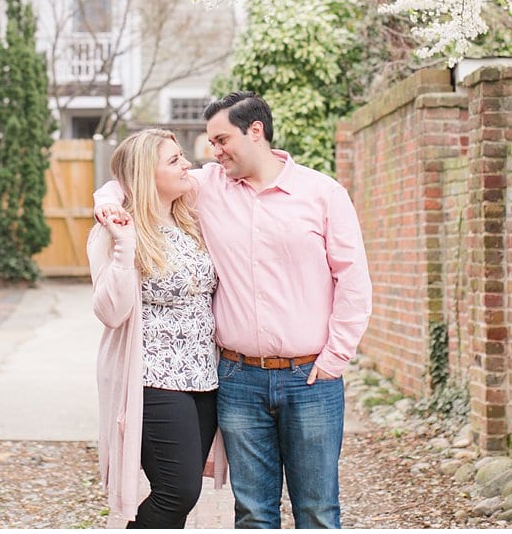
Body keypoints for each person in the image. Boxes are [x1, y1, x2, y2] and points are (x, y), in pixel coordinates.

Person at [95, 93, 372, 529]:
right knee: (252, 512)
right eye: (209, 142)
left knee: (318, 510)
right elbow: (135, 174)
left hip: (310, 379)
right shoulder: (209, 187)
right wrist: (105, 200)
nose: (212, 151)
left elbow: (353, 281)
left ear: (255, 131)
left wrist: (336, 357)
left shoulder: (323, 194)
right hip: (237, 380)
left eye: (221, 139)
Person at [89, 128, 227, 528]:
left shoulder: (190, 220)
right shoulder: (114, 232)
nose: (188, 164)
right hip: (152, 379)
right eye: (174, 160)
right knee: (176, 491)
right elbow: (111, 311)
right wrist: (124, 244)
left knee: (182, 495)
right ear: (146, 176)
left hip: (203, 377)